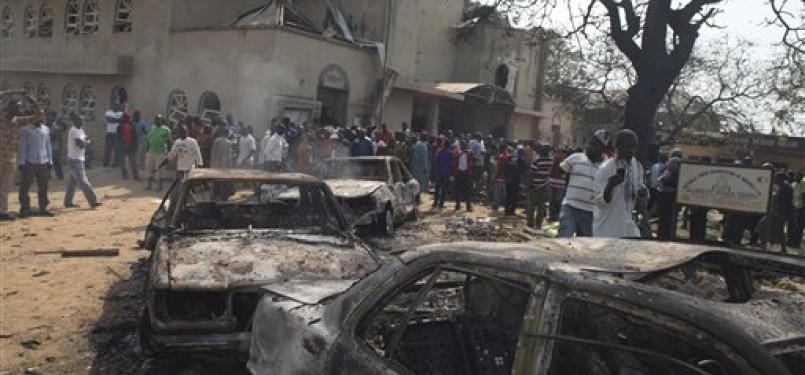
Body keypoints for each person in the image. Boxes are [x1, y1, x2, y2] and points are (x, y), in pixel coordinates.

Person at [593, 129, 645, 238]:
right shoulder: (606, 169)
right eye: (627, 146)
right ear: (618, 147)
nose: (631, 150)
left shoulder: (636, 165)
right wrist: (610, 186)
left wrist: (642, 192)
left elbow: (640, 188)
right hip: (607, 228)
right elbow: (599, 202)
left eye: (633, 147)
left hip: (628, 225)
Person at [557, 131, 608, 237]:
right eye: (589, 144)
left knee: (585, 245)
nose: (590, 147)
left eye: (594, 146)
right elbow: (558, 172)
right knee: (564, 236)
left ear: (602, 149)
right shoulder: (575, 158)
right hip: (570, 207)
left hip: (591, 212)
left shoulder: (607, 166)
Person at [1, 91, 39, 221]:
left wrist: (33, 102)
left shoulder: (18, 122)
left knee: (5, 187)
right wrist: (16, 92)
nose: (19, 109)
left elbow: (38, 117)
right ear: (9, 108)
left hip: (10, 158)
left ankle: (2, 211)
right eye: (17, 106)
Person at [17, 111, 54, 217]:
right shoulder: (25, 130)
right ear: (33, 116)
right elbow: (22, 147)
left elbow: (48, 146)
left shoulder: (46, 130)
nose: (40, 118)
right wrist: (21, 162)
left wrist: (50, 161)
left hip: (43, 161)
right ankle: (25, 207)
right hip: (30, 161)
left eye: (42, 115)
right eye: (38, 115)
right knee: (25, 186)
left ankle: (43, 207)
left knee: (44, 186)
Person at [63, 114, 101, 209]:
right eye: (80, 120)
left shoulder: (81, 130)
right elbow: (81, 144)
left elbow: (87, 140)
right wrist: (87, 143)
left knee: (73, 182)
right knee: (83, 181)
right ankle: (93, 201)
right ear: (75, 121)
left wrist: (86, 142)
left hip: (79, 157)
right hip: (74, 159)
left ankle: (68, 202)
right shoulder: (74, 131)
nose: (82, 122)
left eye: (83, 120)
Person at [656, 149, 682, 240]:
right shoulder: (679, 164)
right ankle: (668, 235)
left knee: (665, 218)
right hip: (673, 195)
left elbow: (663, 179)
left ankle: (663, 235)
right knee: (671, 218)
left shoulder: (673, 162)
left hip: (667, 195)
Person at [526, 144, 552, 230]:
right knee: (541, 207)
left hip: (534, 185)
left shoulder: (537, 160)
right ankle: (538, 225)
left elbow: (531, 173)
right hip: (544, 185)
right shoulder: (551, 161)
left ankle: (530, 223)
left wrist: (529, 184)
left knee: (531, 206)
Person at [144, 115, 172, 191]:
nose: (156, 121)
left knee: (160, 169)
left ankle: (159, 186)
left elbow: (169, 141)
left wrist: (169, 153)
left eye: (158, 119)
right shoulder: (152, 128)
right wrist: (147, 150)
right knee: (149, 168)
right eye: (155, 119)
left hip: (161, 152)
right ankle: (149, 185)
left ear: (161, 120)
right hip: (151, 151)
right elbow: (148, 139)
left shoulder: (166, 129)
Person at [431, 138, 453, 211]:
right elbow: (451, 164)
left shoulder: (439, 152)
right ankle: (441, 204)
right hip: (446, 173)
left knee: (437, 188)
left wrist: (436, 171)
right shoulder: (450, 153)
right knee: (443, 189)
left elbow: (435, 161)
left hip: (439, 172)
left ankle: (435, 203)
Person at [504, 145, 526, 216]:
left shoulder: (510, 157)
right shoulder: (521, 159)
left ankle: (506, 210)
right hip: (516, 180)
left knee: (508, 195)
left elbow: (506, 167)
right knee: (514, 196)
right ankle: (512, 211)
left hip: (508, 180)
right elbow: (522, 170)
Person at [118, 113, 140, 180]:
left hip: (131, 145)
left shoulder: (132, 125)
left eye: (127, 118)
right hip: (123, 145)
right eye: (124, 118)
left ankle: (135, 176)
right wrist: (118, 146)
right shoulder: (120, 126)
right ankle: (124, 175)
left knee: (133, 162)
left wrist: (136, 146)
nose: (125, 119)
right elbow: (118, 137)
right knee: (123, 162)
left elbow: (136, 137)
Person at [453, 140, 474, 211]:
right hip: (458, 173)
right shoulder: (457, 152)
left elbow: (473, 159)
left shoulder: (468, 153)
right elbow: (454, 157)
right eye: (462, 145)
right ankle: (458, 204)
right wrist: (462, 153)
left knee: (468, 190)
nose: (464, 146)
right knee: (457, 190)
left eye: (465, 145)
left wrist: (471, 153)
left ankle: (468, 205)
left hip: (466, 173)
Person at [490, 145, 510, 212]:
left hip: (499, 178)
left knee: (497, 194)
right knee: (505, 194)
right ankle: (507, 208)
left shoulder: (501, 157)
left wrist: (494, 176)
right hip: (506, 178)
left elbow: (498, 168)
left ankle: (496, 207)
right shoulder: (508, 156)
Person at [46, 110, 65, 180]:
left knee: (56, 161)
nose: (48, 117)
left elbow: (57, 135)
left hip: (55, 146)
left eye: (50, 116)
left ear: (54, 117)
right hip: (48, 147)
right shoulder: (47, 125)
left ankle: (60, 176)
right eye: (47, 116)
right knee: (47, 162)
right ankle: (48, 176)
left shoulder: (58, 124)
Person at [410, 133, 430, 197]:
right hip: (420, 168)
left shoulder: (416, 144)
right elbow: (424, 158)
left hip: (415, 167)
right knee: (420, 184)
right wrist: (425, 168)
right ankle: (417, 198)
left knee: (415, 184)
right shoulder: (423, 146)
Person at [468, 133, 485, 202]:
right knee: (474, 181)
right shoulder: (474, 143)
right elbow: (471, 152)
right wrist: (475, 158)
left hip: (476, 164)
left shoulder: (478, 143)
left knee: (475, 181)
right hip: (476, 164)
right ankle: (472, 196)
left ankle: (473, 195)